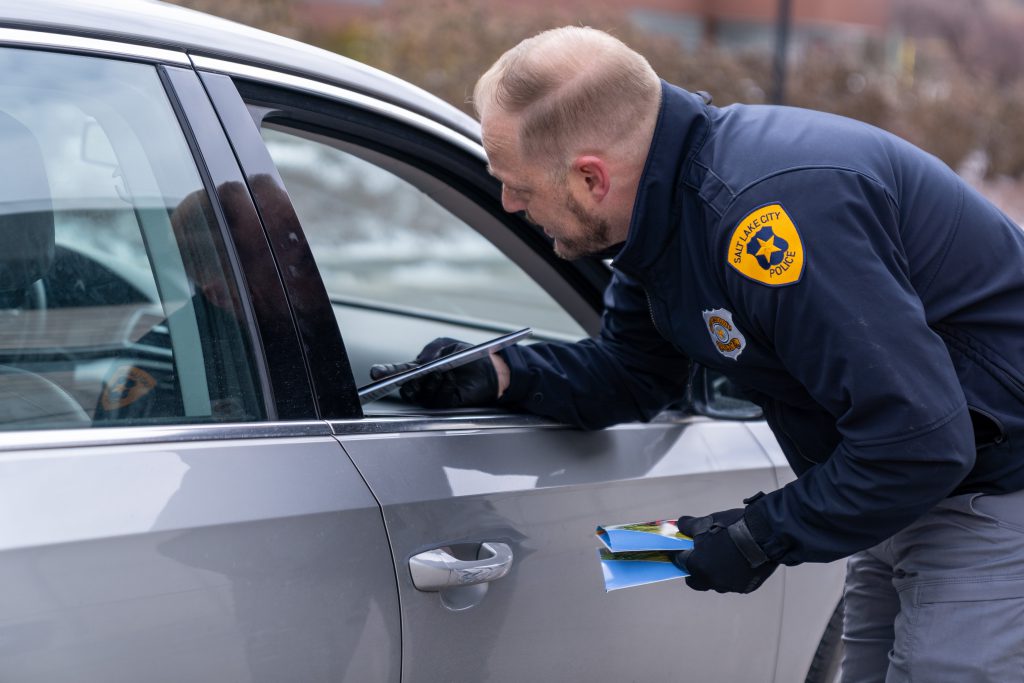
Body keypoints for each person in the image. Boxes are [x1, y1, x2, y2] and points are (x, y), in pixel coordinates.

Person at [370, 27, 1024, 682]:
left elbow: (922, 440)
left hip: (991, 486)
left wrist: (755, 534)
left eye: (518, 185)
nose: (509, 204)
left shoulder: (767, 219)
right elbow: (632, 375)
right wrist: (500, 373)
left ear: (591, 176)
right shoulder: (662, 215)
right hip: (902, 484)